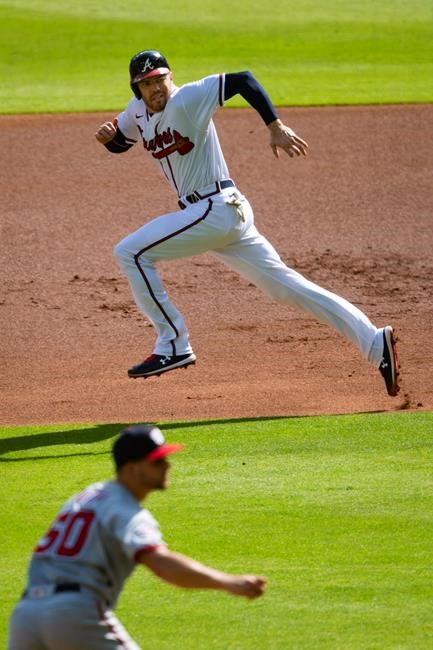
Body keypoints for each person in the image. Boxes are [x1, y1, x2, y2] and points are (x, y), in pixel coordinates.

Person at [95, 49, 400, 397]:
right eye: (147, 84)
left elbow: (244, 80)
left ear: (170, 76)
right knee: (286, 287)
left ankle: (173, 343)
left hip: (216, 209)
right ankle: (376, 342)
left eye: (160, 79)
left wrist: (276, 126)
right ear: (137, 89)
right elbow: (122, 141)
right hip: (222, 216)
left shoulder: (188, 98)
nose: (156, 88)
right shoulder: (137, 112)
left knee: (131, 252)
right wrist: (109, 139)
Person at [8, 424, 266, 650]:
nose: (167, 465)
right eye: (156, 461)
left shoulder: (86, 497)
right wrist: (227, 582)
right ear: (131, 468)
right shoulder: (126, 511)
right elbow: (161, 563)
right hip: (73, 613)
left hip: (26, 614)